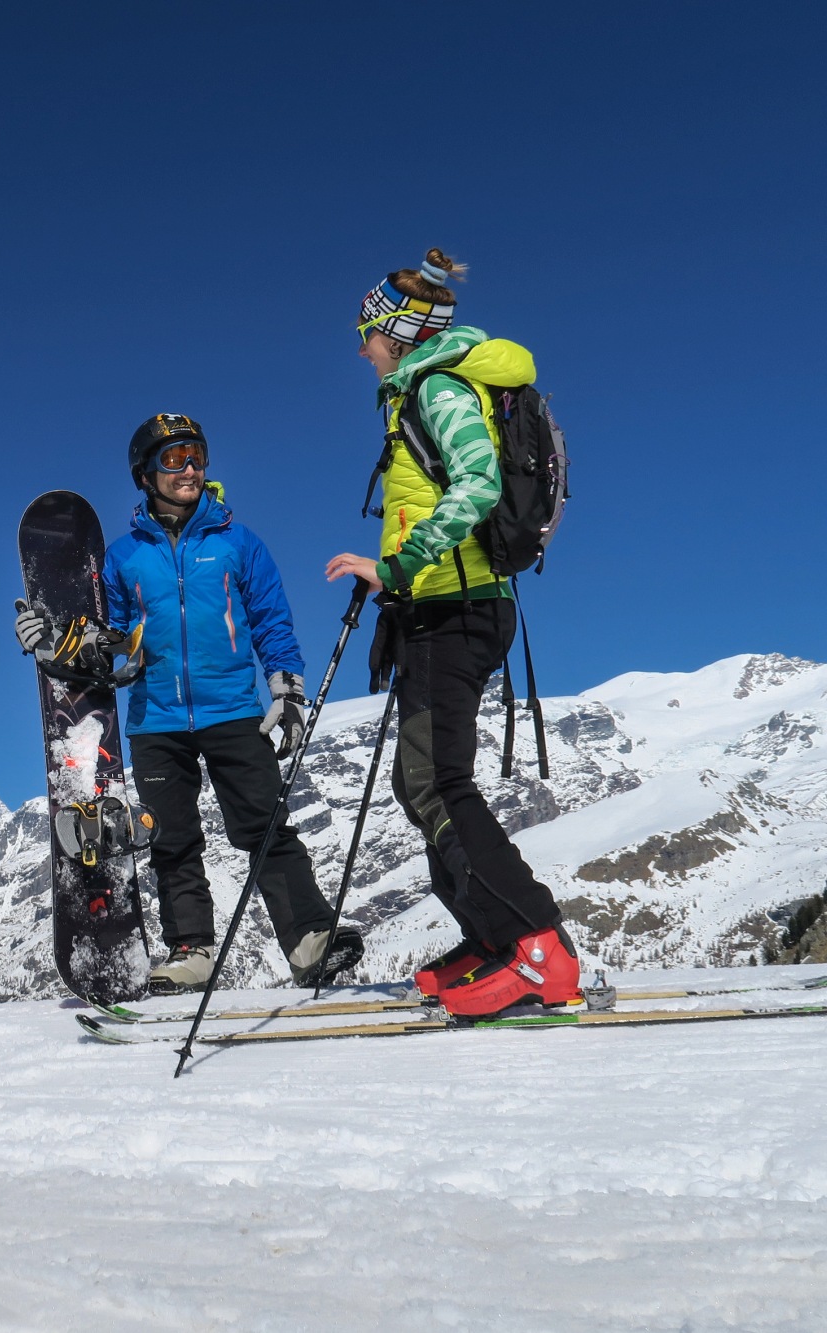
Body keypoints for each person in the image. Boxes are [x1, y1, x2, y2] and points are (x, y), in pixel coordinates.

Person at [18, 416, 363, 995]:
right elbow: (114, 638)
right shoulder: (125, 557)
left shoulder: (238, 543)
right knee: (172, 838)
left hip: (232, 709)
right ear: (145, 473)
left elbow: (271, 619)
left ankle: (309, 940)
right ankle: (191, 952)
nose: (189, 469)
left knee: (264, 825)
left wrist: (287, 686)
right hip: (156, 719)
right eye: (174, 459)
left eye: (196, 456)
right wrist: (56, 645)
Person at [324, 248, 579, 1018]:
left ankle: (536, 947)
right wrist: (395, 579)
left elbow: (478, 483)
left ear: (395, 334)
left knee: (439, 780)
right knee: (420, 780)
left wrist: (398, 567)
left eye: (367, 331)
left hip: (456, 606)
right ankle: (491, 937)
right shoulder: (421, 390)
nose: (360, 345)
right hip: (441, 606)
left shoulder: (437, 388)